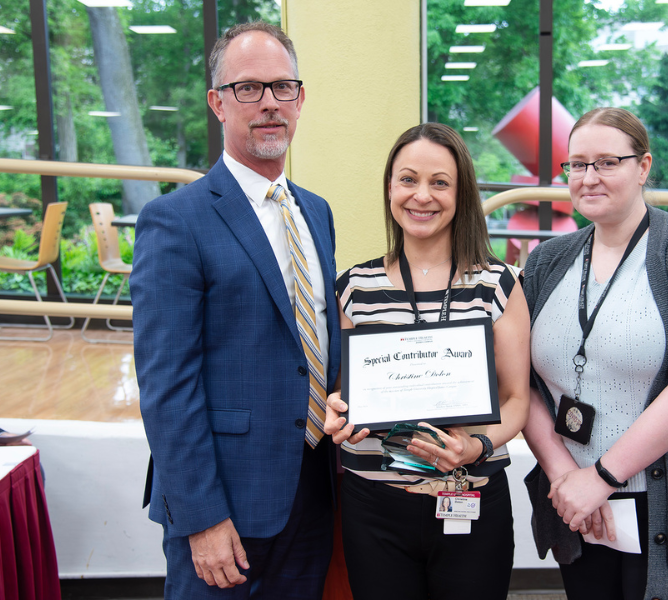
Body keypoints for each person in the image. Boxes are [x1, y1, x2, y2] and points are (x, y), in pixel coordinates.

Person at [131, 22, 339, 599]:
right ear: (217, 103)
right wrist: (201, 517)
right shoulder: (175, 221)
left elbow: (312, 346)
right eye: (248, 88)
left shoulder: (315, 213)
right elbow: (166, 385)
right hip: (223, 506)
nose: (269, 103)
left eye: (283, 87)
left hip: (312, 493)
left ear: (301, 99)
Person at [521, 107, 668, 599]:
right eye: (577, 164)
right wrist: (569, 478)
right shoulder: (547, 260)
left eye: (608, 162)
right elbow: (518, 379)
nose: (589, 178)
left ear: (643, 166)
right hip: (577, 506)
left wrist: (604, 476)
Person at [324, 123, 530, 600]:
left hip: (469, 494)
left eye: (440, 182)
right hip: (373, 504)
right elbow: (340, 392)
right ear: (390, 188)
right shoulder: (353, 287)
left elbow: (518, 399)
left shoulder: (498, 284)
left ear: (462, 194)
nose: (422, 196)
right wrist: (336, 411)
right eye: (408, 179)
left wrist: (475, 447)